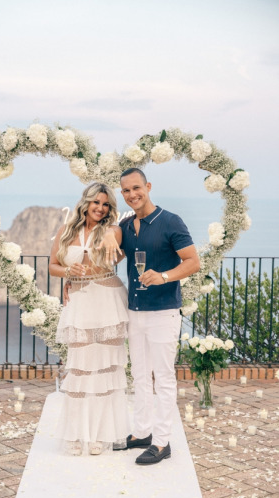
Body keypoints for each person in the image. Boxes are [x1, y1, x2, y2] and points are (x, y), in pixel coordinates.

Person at [104, 168, 200, 465]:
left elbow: (193, 262)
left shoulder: (171, 221)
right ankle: (142, 432)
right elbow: (113, 247)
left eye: (136, 188)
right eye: (126, 191)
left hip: (163, 312)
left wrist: (164, 276)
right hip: (135, 312)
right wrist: (109, 231)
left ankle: (161, 442)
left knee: (164, 378)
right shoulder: (125, 223)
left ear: (147, 186)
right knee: (141, 376)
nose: (132, 194)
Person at [49, 182, 129, 456]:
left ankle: (101, 435)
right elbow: (52, 267)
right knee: (80, 369)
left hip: (108, 300)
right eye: (96, 202)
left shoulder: (112, 230)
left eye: (106, 204)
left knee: (107, 369)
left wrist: (109, 231)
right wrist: (68, 271)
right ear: (86, 202)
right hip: (80, 303)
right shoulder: (66, 231)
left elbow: (116, 237)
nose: (100, 208)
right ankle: (75, 433)